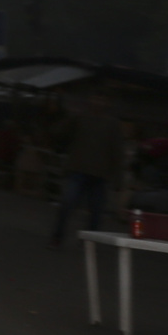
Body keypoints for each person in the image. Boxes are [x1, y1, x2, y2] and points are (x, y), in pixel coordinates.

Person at [48, 92, 126, 248]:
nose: (98, 102)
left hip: (99, 175)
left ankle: (90, 244)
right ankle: (57, 237)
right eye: (95, 97)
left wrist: (118, 179)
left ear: (107, 103)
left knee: (96, 212)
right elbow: (59, 133)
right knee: (66, 204)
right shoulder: (79, 118)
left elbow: (117, 152)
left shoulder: (112, 125)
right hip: (77, 170)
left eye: (102, 99)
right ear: (89, 100)